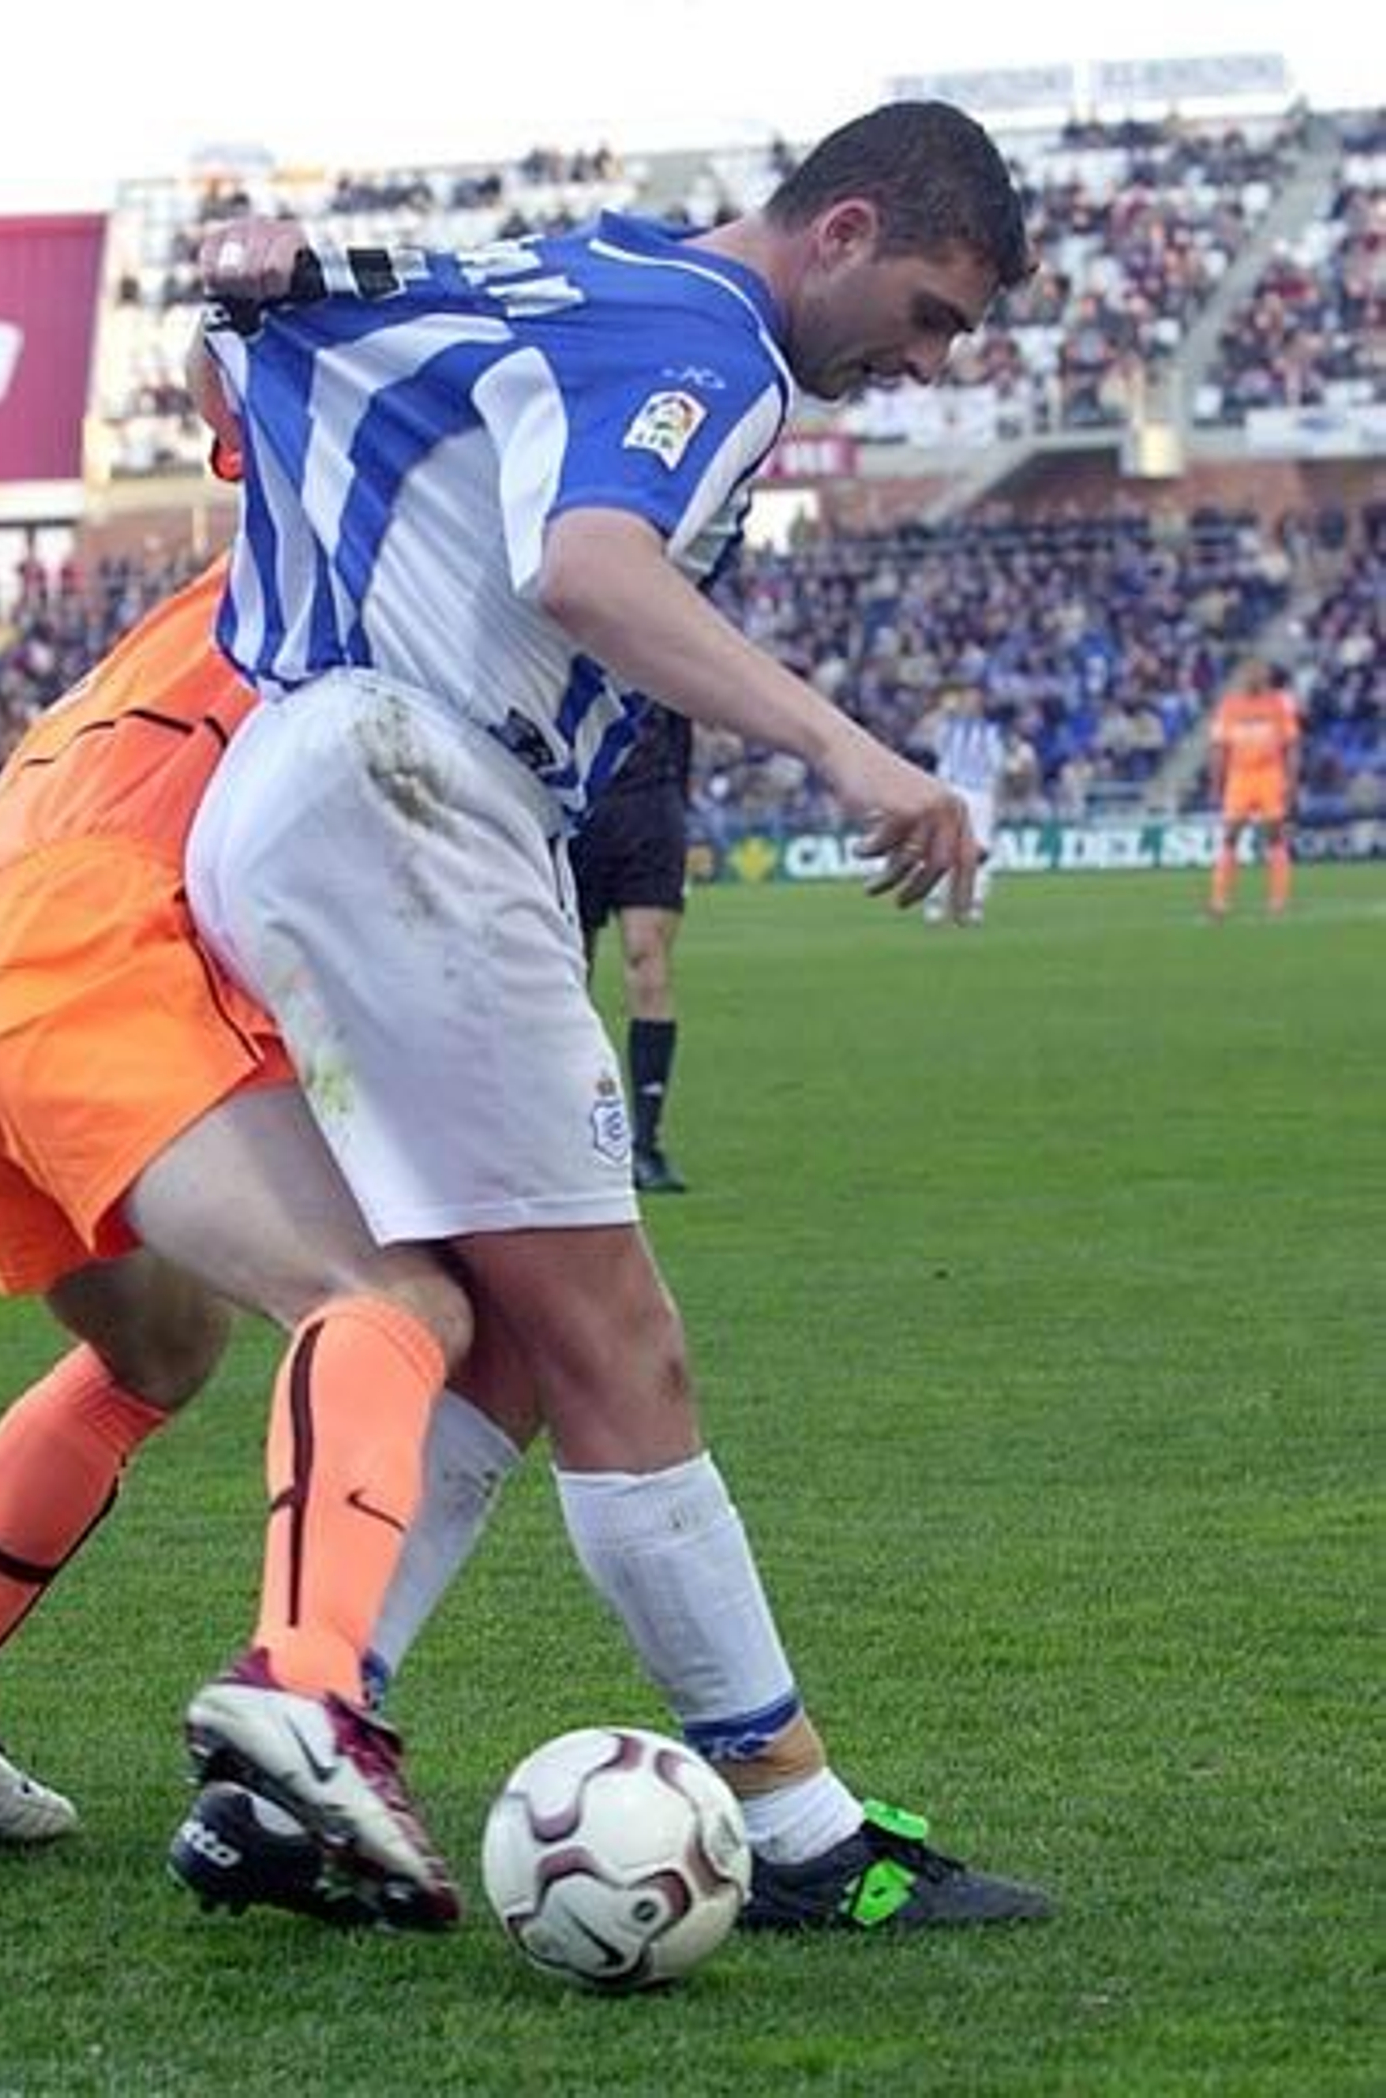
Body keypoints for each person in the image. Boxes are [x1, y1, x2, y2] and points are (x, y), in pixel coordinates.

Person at [184, 100, 1052, 1932]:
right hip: (412, 787)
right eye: (931, 311)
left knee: (497, 1333)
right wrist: (850, 747)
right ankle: (800, 1823)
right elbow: (583, 564)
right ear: (847, 226)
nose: (925, 361)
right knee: (618, 1335)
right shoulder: (712, 337)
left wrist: (256, 262)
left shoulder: (583, 272)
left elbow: (271, 310)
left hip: (313, 786)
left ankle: (298, 1729)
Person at [0, 556, 540, 1928]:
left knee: (160, 1349)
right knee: (387, 1297)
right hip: (99, 941)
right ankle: (312, 1684)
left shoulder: (292, 510)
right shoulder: (367, 501)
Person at [568, 702, 693, 1193]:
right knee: (567, 974)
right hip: (578, 805)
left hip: (650, 805)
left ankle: (646, 1144)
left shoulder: (654, 636)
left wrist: (676, 807)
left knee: (649, 960)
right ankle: (577, 1137)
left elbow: (683, 720)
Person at [1208, 656, 1302, 918]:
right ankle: (1219, 900)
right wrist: (1216, 783)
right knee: (1230, 836)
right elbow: (1219, 747)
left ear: (1264, 678)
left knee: (1275, 835)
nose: (1253, 678)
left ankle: (1278, 900)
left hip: (1270, 774)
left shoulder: (1278, 705)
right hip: (1239, 776)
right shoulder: (1229, 706)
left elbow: (1292, 745)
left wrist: (1292, 781)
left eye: (1258, 673)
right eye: (1249, 673)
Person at [922, 685, 1006, 926]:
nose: (968, 704)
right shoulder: (947, 728)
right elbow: (925, 732)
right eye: (965, 700)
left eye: (973, 700)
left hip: (981, 794)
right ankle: (936, 902)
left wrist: (997, 802)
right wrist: (942, 709)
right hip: (952, 790)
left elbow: (997, 769)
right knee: (942, 846)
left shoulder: (991, 732)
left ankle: (974, 903)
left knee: (980, 850)